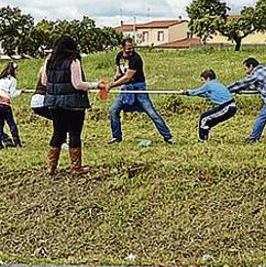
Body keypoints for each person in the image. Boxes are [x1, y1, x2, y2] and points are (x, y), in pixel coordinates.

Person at [42, 35, 103, 175]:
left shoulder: (49, 61)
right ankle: (76, 168)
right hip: (73, 103)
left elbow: (45, 82)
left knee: (57, 133)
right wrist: (96, 85)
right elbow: (78, 84)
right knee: (74, 133)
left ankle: (51, 167)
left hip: (53, 103)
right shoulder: (73, 61)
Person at [106, 37, 173, 145]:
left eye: (132, 48)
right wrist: (116, 75)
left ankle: (168, 137)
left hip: (138, 88)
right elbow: (119, 70)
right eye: (128, 48)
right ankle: (116, 137)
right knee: (113, 110)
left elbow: (128, 77)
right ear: (122, 47)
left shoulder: (136, 59)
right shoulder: (119, 56)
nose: (131, 50)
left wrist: (112, 85)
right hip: (126, 88)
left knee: (151, 112)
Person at [181, 69, 237, 141]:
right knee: (208, 122)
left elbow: (198, 91)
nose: (203, 83)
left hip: (226, 107)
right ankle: (205, 135)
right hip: (231, 107)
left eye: (203, 80)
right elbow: (207, 95)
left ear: (208, 78)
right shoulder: (218, 84)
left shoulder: (209, 84)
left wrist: (186, 92)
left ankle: (202, 139)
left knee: (204, 117)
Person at [0, 61, 23, 147]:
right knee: (11, 123)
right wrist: (20, 92)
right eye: (16, 70)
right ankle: (17, 142)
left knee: (0, 123)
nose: (17, 72)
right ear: (13, 70)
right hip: (3, 103)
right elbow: (12, 94)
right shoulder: (13, 80)